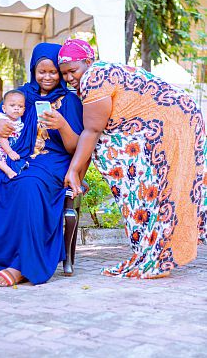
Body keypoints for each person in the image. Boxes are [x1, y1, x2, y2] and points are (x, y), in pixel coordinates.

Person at [58, 38, 206, 279]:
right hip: (178, 119)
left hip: (173, 123)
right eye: (64, 73)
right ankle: (154, 252)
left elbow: (93, 131)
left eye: (72, 70)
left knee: (148, 188)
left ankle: (155, 256)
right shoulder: (100, 71)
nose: (69, 77)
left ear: (87, 61)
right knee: (156, 190)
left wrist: (73, 171)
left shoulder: (93, 77)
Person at [0, 42, 83, 286]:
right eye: (41, 71)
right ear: (33, 69)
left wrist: (62, 126)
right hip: (18, 155)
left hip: (53, 160)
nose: (47, 77)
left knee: (29, 184)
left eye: (53, 71)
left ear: (61, 71)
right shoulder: (20, 96)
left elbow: (76, 147)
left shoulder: (70, 101)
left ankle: (24, 265)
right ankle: (2, 256)